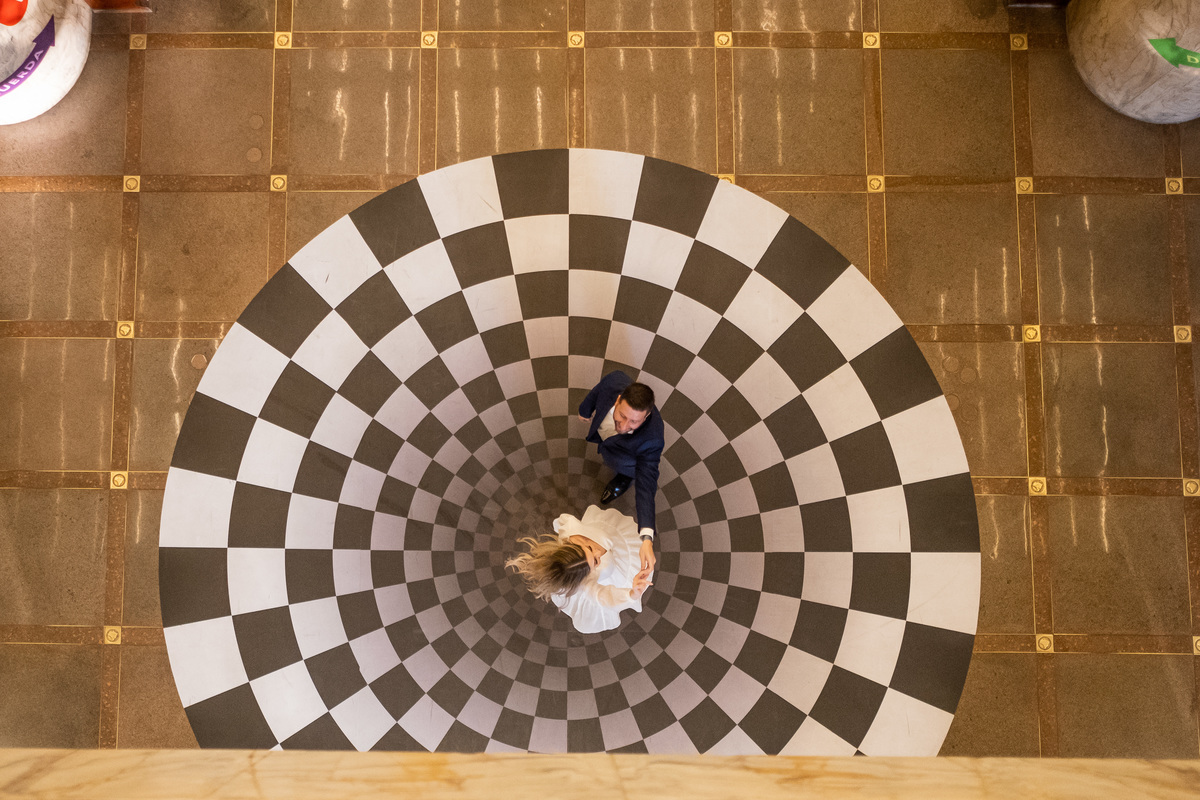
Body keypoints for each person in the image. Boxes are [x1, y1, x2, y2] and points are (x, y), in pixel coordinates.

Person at [507, 505, 653, 634]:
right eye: (595, 562)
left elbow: (564, 520)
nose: (598, 553)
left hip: (616, 543)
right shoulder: (585, 583)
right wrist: (632, 594)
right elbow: (603, 596)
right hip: (619, 563)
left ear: (569, 545)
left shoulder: (569, 530)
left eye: (589, 548)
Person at [577, 372, 663, 577]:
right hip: (609, 443)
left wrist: (647, 539)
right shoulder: (614, 381)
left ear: (646, 417)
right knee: (609, 452)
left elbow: (646, 487)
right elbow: (597, 392)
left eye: (634, 422)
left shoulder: (652, 440)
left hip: (628, 458)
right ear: (618, 400)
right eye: (622, 415)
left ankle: (623, 479)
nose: (624, 426)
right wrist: (585, 409)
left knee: (627, 471)